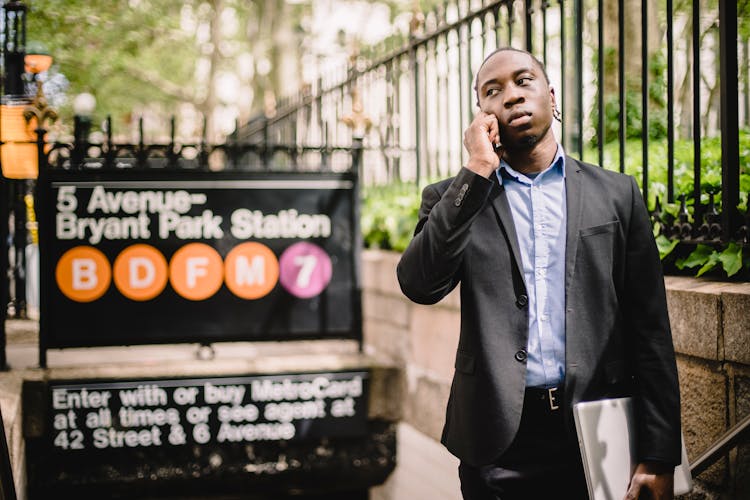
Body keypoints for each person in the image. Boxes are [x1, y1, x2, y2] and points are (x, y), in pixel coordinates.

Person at [396, 47, 682, 499]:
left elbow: (650, 329)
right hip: (496, 443)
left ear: (552, 96)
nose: (510, 96)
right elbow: (420, 284)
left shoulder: (616, 194)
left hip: (598, 431)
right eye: (493, 91)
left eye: (523, 81)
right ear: (482, 116)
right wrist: (476, 170)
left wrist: (660, 452)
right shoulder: (455, 197)